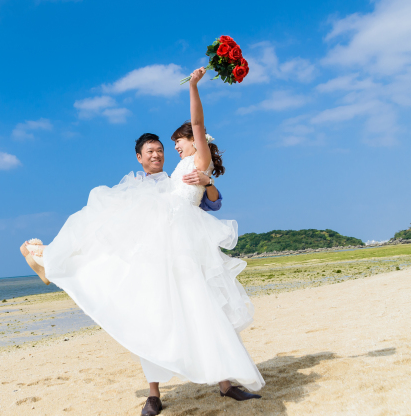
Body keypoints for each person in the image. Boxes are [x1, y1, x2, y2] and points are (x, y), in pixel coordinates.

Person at [20, 68, 264, 415]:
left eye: (173, 143)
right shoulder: (160, 179)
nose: (168, 149)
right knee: (150, 309)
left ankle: (225, 382)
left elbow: (211, 193)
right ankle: (53, 262)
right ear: (140, 156)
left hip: (184, 247)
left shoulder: (190, 165)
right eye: (155, 149)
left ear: (193, 141)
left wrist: (194, 89)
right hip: (157, 250)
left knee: (205, 309)